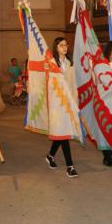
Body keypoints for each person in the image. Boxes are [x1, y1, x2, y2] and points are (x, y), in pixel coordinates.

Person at [45, 37, 79, 178]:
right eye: (61, 45)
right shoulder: (52, 64)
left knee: (61, 134)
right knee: (63, 134)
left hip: (69, 103)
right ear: (56, 47)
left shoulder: (70, 63)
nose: (64, 48)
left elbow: (73, 84)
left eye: (66, 45)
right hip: (57, 105)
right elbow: (50, 86)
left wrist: (75, 102)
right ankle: (70, 166)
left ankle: (50, 155)